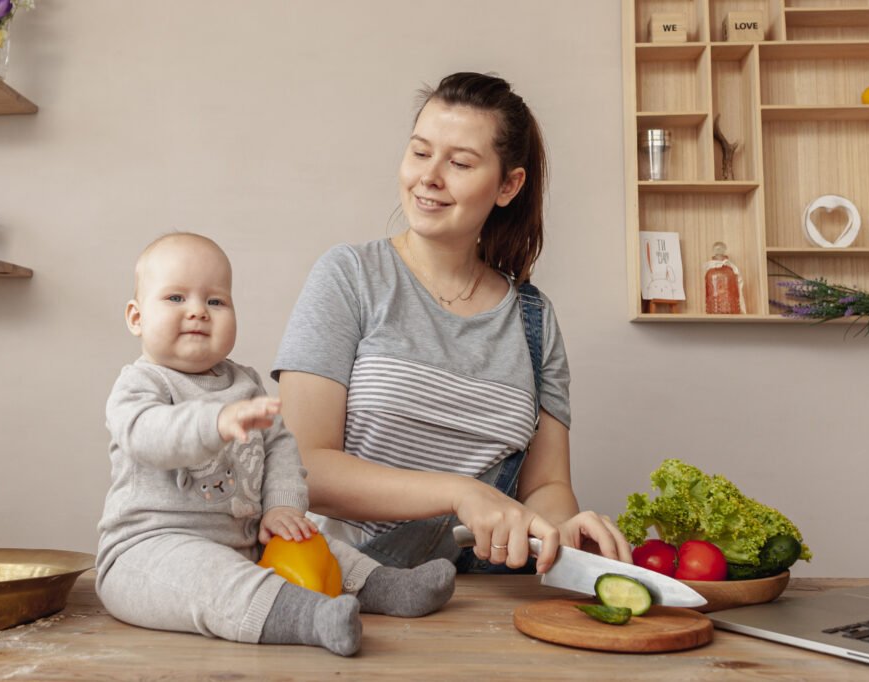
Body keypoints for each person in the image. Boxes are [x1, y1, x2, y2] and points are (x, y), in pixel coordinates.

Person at [273, 72, 632, 574]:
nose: (429, 176)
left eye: (460, 162)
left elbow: (545, 487)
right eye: (420, 152)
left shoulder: (534, 320)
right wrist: (459, 493)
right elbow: (302, 467)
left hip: (484, 602)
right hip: (346, 585)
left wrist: (562, 530)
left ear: (509, 185)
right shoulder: (350, 277)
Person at [95, 233, 455, 657]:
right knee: (214, 580)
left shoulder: (244, 383)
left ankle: (386, 586)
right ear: (136, 317)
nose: (197, 311)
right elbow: (149, 435)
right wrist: (215, 422)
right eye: (175, 298)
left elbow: (280, 447)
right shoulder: (140, 384)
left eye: (216, 301)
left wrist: (284, 507)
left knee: (314, 542)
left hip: (245, 541)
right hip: (152, 551)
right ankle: (310, 618)